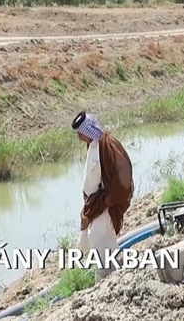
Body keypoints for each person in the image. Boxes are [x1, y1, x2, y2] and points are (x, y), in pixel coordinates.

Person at [71, 111, 134, 282]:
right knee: (101, 238)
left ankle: (106, 278)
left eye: (80, 133)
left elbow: (124, 173)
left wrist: (110, 198)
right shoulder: (93, 145)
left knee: (98, 237)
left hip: (104, 202)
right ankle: (111, 273)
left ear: (88, 130)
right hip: (95, 202)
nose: (79, 137)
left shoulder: (107, 145)